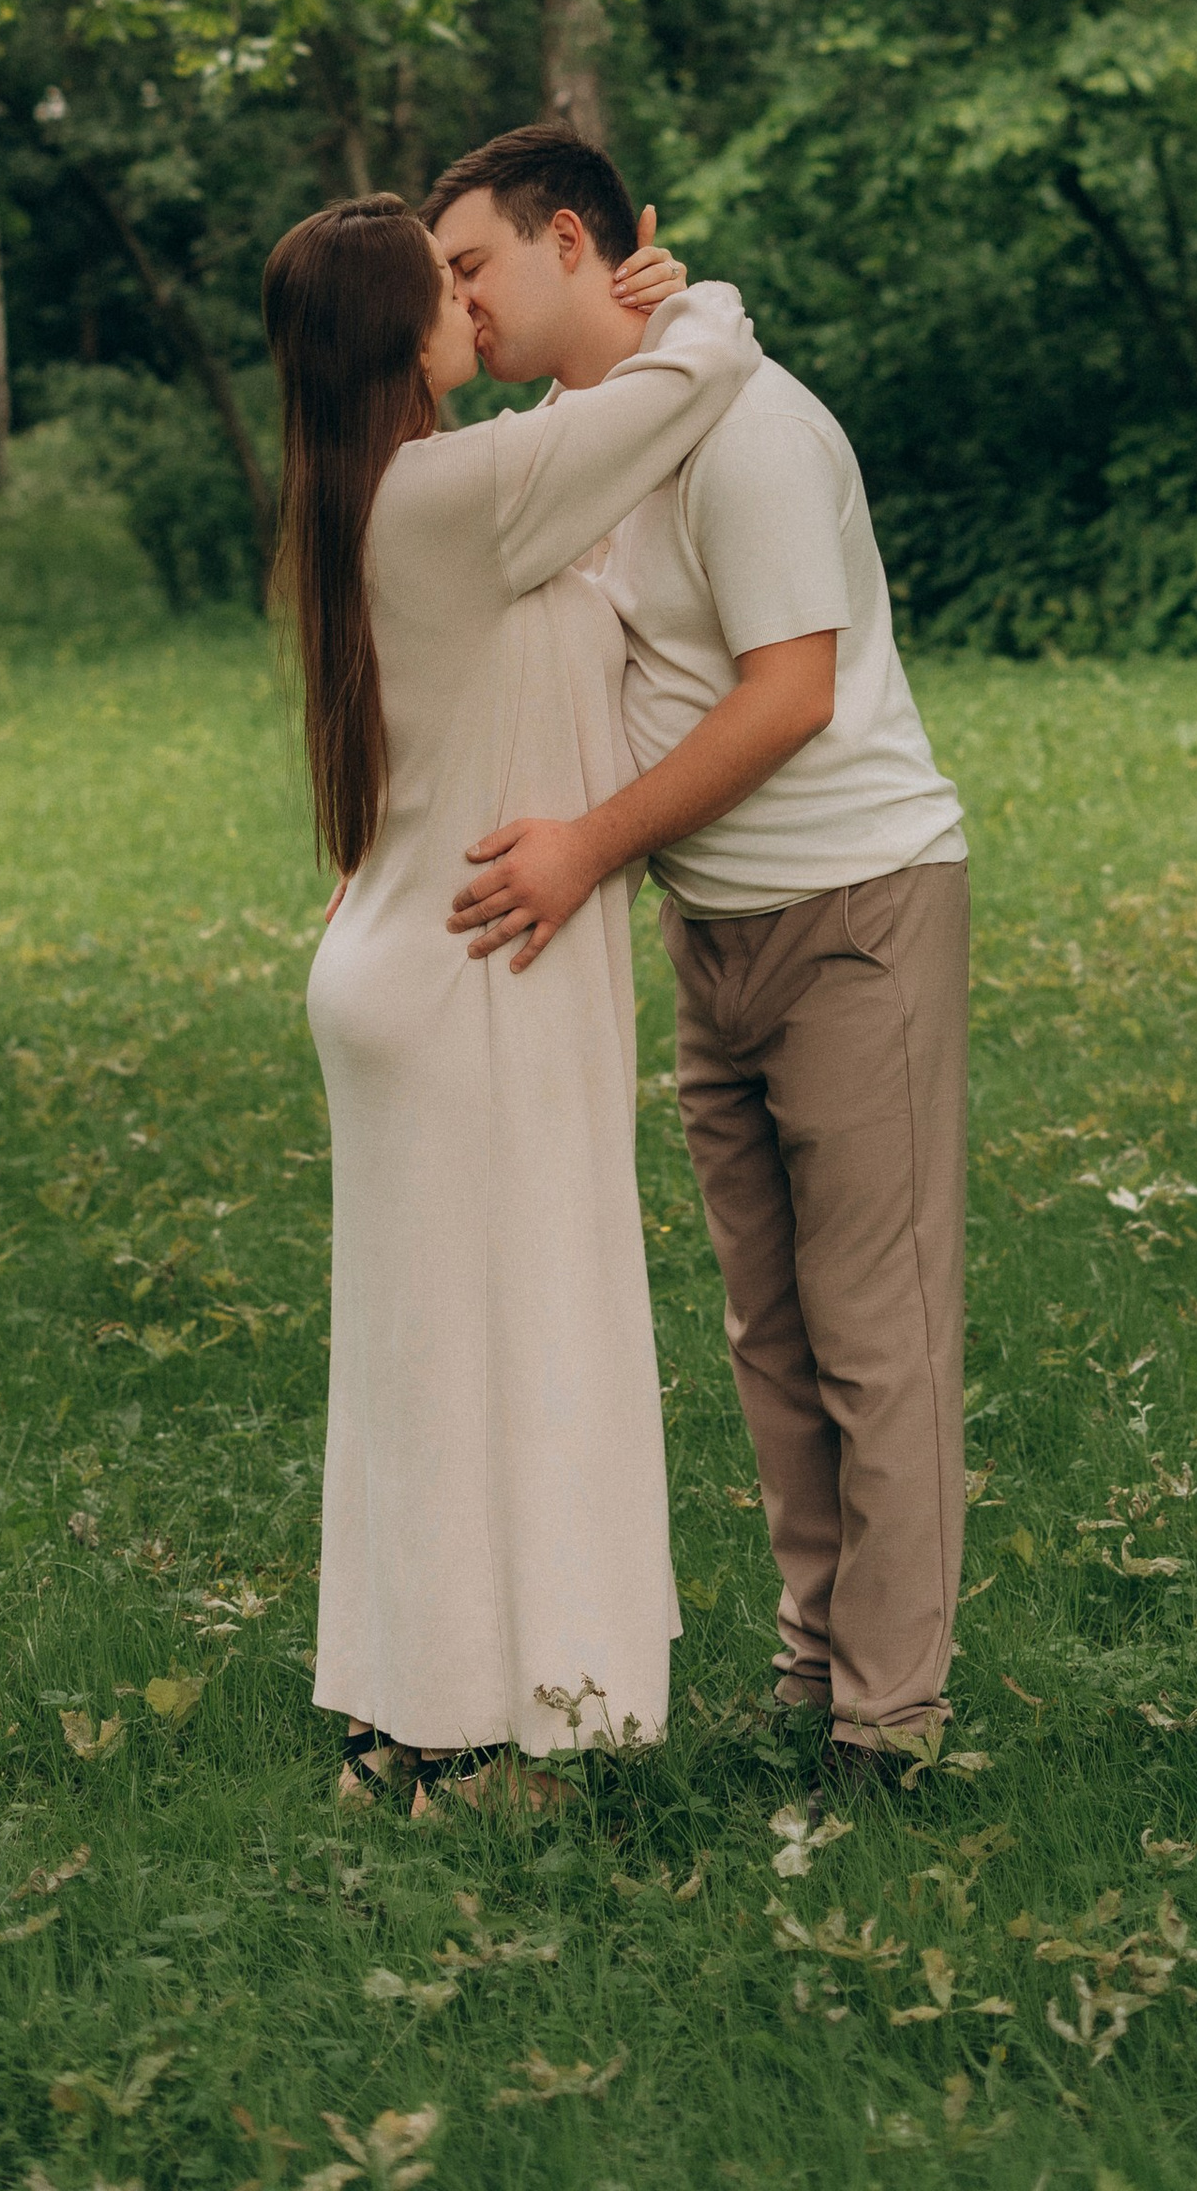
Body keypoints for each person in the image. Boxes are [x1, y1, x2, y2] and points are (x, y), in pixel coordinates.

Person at [425, 124, 970, 1772]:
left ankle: (890, 1726)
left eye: (475, 270)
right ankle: (814, 1674)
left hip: (857, 910)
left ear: (577, 243)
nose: (461, 308)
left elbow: (790, 696)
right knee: (771, 1334)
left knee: (878, 1332)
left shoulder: (751, 432)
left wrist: (590, 846)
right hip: (712, 926)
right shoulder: (588, 438)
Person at [261, 191, 759, 1776]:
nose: (470, 308)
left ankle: (407, 1714)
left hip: (418, 960)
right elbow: (697, 378)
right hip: (466, 969)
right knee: (514, 1340)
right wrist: (686, 301)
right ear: (397, 334)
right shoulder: (451, 494)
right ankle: (480, 1731)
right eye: (443, 289)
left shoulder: (387, 492)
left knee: (430, 1360)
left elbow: (581, 473)